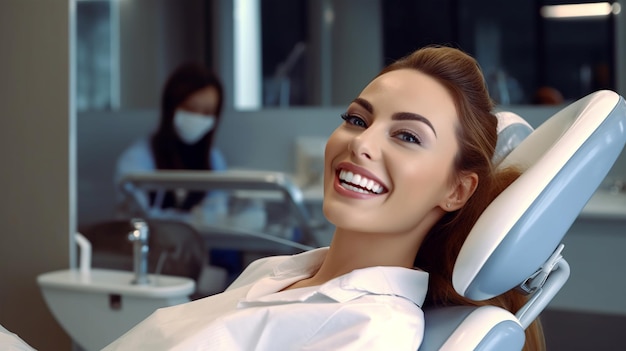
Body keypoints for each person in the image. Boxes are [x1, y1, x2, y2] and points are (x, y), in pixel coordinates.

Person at [103, 45, 545, 351]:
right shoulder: (276, 271)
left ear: (457, 189)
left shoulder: (372, 329)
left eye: (407, 136)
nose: (362, 143)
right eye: (356, 119)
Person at [115, 62, 243, 283]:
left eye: (208, 112)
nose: (199, 118)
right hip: (156, 263)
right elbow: (140, 219)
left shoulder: (214, 160)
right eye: (192, 108)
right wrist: (194, 219)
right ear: (171, 106)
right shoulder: (136, 161)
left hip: (207, 261)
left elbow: (219, 216)